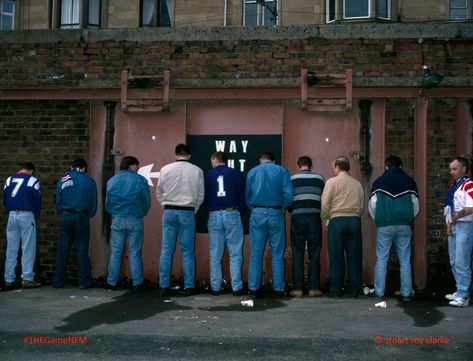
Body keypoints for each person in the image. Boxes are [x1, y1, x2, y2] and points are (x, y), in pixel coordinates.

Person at [368, 156, 419, 301]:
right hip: (404, 225)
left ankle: (379, 292)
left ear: (386, 166)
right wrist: (408, 218)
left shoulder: (378, 182)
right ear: (401, 167)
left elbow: (372, 206)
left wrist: (378, 219)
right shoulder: (409, 181)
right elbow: (416, 206)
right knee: (405, 260)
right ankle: (407, 293)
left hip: (384, 225)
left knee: (382, 259)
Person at [156, 144, 204, 296]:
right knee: (187, 252)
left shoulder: (165, 169)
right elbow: (200, 196)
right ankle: (189, 286)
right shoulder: (197, 171)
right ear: (189, 155)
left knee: (166, 250)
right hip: (187, 212)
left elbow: (159, 192)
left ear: (176, 154)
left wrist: (165, 205)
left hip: (169, 211)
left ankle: (163, 286)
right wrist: (192, 210)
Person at [245, 152, 294, 298]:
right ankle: (278, 289)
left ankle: (253, 288)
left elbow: (247, 195)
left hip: (257, 211)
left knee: (255, 254)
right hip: (276, 212)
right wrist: (282, 207)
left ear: (261, 160)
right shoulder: (281, 170)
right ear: (273, 160)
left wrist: (254, 208)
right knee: (277, 254)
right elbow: (289, 194)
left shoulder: (253, 171)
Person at [105, 156, 151, 292]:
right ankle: (137, 283)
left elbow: (108, 204)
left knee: (116, 252)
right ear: (131, 166)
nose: (138, 168)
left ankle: (111, 282)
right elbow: (146, 203)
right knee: (135, 253)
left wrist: (115, 213)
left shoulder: (112, 181)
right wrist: (140, 213)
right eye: (137, 166)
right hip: (134, 220)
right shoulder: (140, 180)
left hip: (118, 219)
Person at [204, 151, 246, 296]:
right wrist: (240, 211)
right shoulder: (234, 173)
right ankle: (236, 287)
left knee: (215, 253)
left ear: (215, 159)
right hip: (231, 213)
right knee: (235, 252)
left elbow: (206, 196)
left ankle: (215, 287)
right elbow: (242, 195)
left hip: (214, 213)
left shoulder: (209, 174)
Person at [321, 156, 364, 298]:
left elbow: (325, 203)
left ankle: (336, 289)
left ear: (337, 167)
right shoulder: (357, 184)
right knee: (354, 256)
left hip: (337, 220)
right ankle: (353, 289)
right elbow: (362, 204)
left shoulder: (331, 182)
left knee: (336, 256)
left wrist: (326, 218)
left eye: (333, 167)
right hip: (354, 220)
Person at [53, 158, 97, 289]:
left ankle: (58, 281)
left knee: (62, 250)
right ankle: (84, 282)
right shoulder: (89, 181)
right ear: (84, 168)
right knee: (82, 250)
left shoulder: (63, 179)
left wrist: (63, 212)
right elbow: (93, 202)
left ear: (72, 167)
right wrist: (88, 215)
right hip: (82, 216)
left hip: (66, 215)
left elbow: (58, 199)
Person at [288, 156, 325, 298]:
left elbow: (288, 198)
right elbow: (324, 197)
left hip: (297, 218)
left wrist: (293, 210)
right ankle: (313, 288)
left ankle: (297, 289)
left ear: (298, 165)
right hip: (314, 218)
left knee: (297, 254)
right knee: (314, 254)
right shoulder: (319, 179)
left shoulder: (292, 179)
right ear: (311, 165)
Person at [3, 162, 42, 289]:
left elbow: (4, 198)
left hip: (12, 214)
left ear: (21, 169)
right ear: (31, 171)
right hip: (27, 214)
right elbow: (37, 201)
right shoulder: (33, 180)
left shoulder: (9, 179)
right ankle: (27, 279)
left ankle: (9, 279)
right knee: (28, 248)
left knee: (11, 249)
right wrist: (34, 216)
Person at [443, 156, 473, 307]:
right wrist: (449, 224)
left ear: (464, 169)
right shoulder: (455, 185)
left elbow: (471, 206)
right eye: (451, 169)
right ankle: (460, 290)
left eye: (454, 169)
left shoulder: (468, 185)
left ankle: (463, 295)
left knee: (462, 262)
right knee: (454, 261)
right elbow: (449, 207)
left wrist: (455, 216)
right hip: (455, 225)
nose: (451, 172)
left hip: (464, 226)